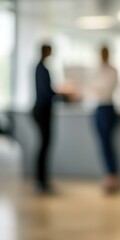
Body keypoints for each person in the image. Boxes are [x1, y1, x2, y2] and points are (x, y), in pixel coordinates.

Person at [87, 46, 120, 193]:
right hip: (98, 108)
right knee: (102, 144)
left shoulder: (112, 70)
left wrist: (97, 89)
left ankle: (113, 176)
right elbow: (91, 88)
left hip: (107, 108)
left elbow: (104, 90)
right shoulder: (96, 70)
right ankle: (109, 175)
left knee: (107, 143)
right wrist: (97, 90)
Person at [32, 44, 56, 193]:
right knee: (43, 145)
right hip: (42, 111)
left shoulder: (40, 68)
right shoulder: (42, 69)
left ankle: (42, 179)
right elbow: (46, 93)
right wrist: (62, 95)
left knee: (45, 145)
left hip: (43, 110)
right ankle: (41, 180)